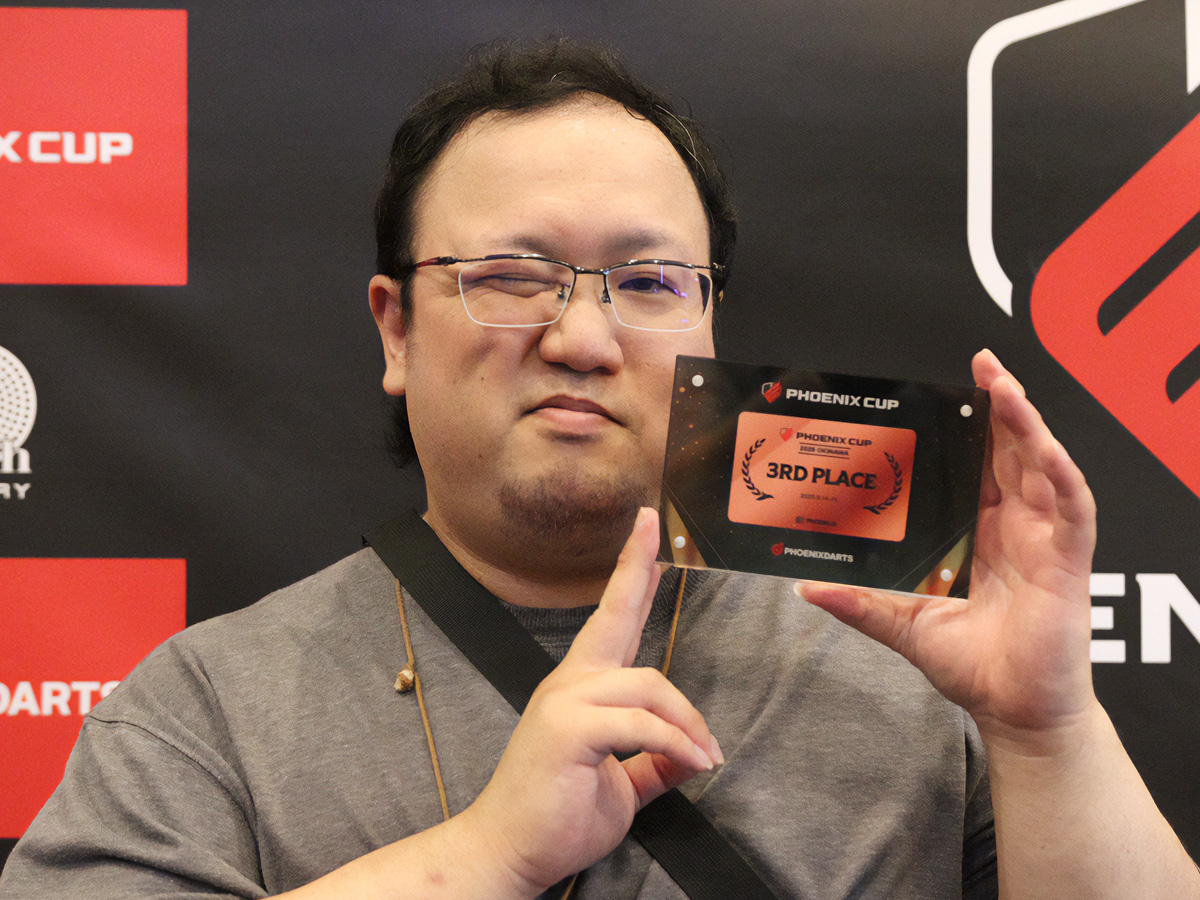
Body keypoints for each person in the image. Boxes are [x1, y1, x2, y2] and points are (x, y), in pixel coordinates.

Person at [2, 37, 1197, 900]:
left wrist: (1045, 727)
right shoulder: (205, 712)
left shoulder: (914, 672)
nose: (582, 336)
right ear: (395, 330)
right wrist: (485, 857)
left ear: (711, 330)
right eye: (510, 276)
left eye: (649, 282)